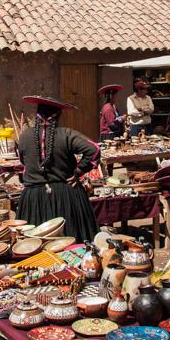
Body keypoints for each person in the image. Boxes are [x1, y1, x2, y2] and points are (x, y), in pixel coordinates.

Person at [16, 95, 102, 243]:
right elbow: (94, 150)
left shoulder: (24, 137)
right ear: (57, 115)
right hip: (66, 196)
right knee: (74, 244)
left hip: (33, 199)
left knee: (35, 246)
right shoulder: (66, 135)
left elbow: (23, 161)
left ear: (37, 114)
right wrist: (78, 172)